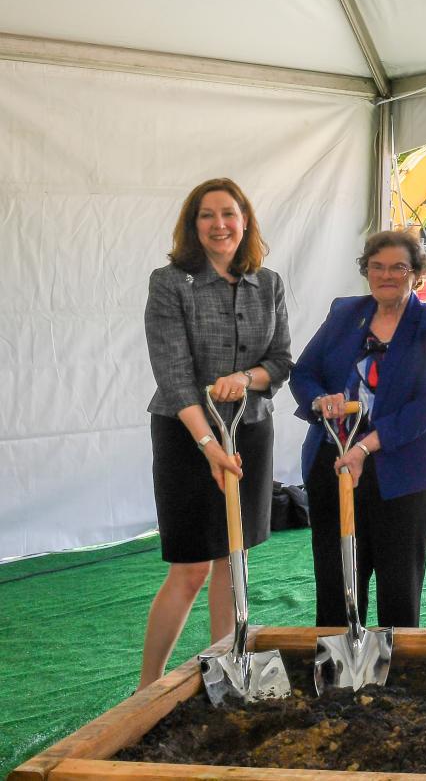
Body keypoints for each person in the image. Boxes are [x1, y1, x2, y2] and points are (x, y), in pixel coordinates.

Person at [140, 178, 291, 688]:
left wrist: (246, 379)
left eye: (229, 213)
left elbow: (280, 361)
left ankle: (225, 672)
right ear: (193, 224)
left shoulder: (268, 283)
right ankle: (147, 685)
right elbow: (173, 373)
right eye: (207, 215)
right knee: (190, 568)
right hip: (186, 434)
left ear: (245, 220)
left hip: (248, 432)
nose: (219, 224)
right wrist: (208, 445)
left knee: (233, 560)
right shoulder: (170, 282)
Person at [289, 231, 426, 628]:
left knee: (399, 583)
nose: (386, 275)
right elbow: (305, 372)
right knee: (336, 577)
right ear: (366, 270)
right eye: (376, 267)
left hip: (402, 467)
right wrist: (320, 401)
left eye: (398, 267)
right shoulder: (346, 314)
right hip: (334, 461)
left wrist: (366, 447)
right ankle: (338, 672)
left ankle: (397, 675)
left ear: (417, 273)